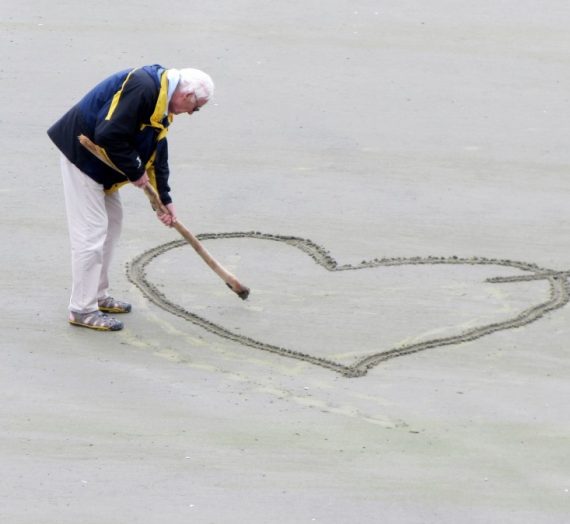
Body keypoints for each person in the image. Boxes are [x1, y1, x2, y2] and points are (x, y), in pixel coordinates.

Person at [48, 65, 214, 331]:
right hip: (82, 157)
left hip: (103, 166)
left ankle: (97, 295)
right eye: (196, 108)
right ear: (187, 95)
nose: (192, 114)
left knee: (112, 225)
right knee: (91, 234)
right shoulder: (144, 87)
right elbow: (107, 133)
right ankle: (81, 308)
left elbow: (157, 150)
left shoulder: (162, 102)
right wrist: (136, 173)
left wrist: (163, 199)